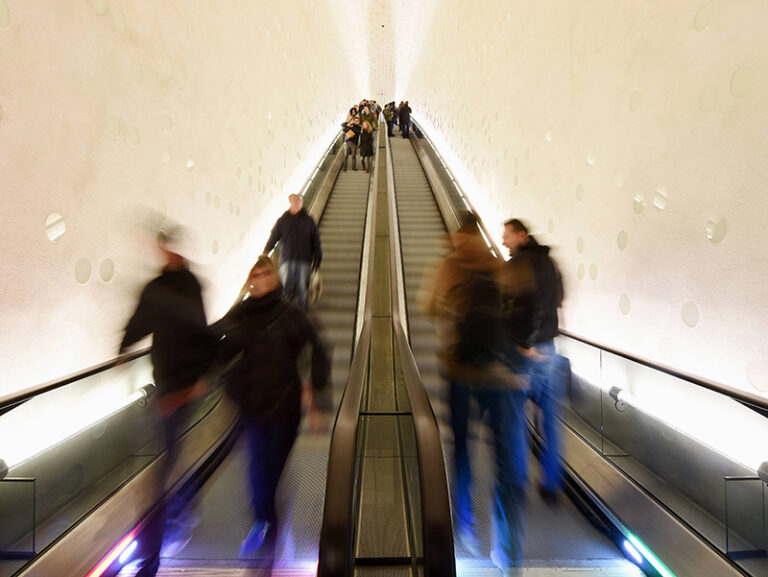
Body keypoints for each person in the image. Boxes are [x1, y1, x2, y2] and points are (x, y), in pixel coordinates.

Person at [424, 214, 529, 575]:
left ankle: (462, 524)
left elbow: (428, 306)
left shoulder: (449, 265)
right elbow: (516, 314)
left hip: (458, 371)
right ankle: (509, 550)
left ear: (457, 234)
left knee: (462, 448)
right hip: (498, 376)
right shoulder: (497, 264)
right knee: (504, 457)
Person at [213, 256, 330, 566]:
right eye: (255, 273)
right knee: (256, 473)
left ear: (276, 277)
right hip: (251, 407)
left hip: (284, 406)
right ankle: (265, 527)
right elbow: (219, 354)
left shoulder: (290, 314)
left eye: (266, 272)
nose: (260, 278)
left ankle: (267, 527)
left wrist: (315, 389)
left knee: (270, 472)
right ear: (249, 279)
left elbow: (318, 347)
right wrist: (230, 388)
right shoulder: (238, 316)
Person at [119, 229, 215, 577]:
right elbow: (141, 318)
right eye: (162, 247)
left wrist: (200, 377)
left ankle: (161, 539)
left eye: (170, 246)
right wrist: (124, 346)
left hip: (184, 385)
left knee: (167, 458)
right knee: (170, 455)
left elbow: (201, 330)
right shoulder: (156, 287)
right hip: (163, 382)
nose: (166, 252)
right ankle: (175, 518)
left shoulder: (190, 284)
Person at [502, 218, 564, 503]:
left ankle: (518, 483)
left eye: (508, 237)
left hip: (522, 350)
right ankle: (551, 484)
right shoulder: (549, 263)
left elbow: (508, 308)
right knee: (549, 418)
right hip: (549, 347)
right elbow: (558, 298)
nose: (503, 242)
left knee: (515, 417)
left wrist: (523, 344)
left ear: (522, 235)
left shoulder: (517, 266)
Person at [263, 194, 322, 310]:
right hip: (287, 259)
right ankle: (285, 315)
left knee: (302, 288)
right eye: (295, 200)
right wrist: (265, 252)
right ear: (290, 202)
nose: (298, 202)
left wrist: (318, 258)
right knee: (287, 289)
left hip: (304, 259)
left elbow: (316, 240)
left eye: (299, 200)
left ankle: (303, 314)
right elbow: (274, 237)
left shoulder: (309, 220)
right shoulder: (283, 220)